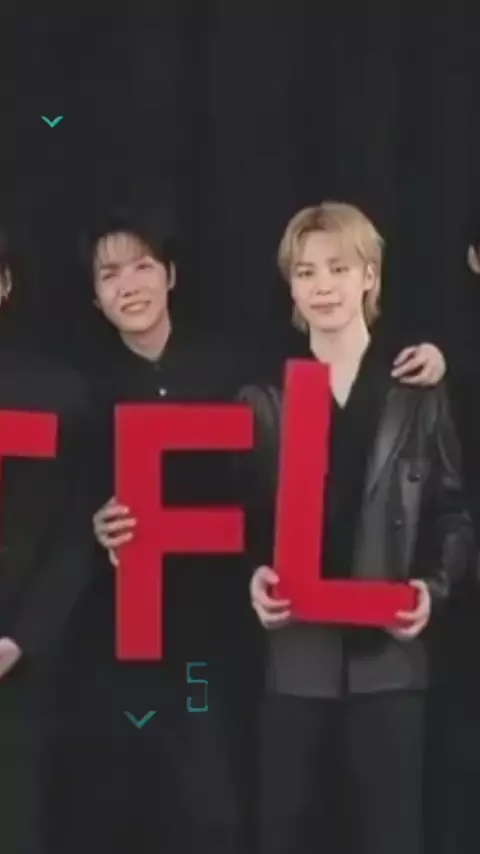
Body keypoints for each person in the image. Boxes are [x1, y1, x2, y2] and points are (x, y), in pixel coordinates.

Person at [236, 201, 473, 854]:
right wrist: (252, 575)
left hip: (390, 663)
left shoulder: (418, 390)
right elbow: (242, 517)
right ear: (291, 288)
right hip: (295, 663)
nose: (323, 286)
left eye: (339, 268)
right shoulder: (264, 397)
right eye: (306, 271)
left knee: (391, 837)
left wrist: (433, 588)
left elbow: (453, 511)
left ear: (370, 276)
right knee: (287, 834)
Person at [47, 205, 254, 854]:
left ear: (171, 275)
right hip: (116, 634)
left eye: (142, 267)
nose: (129, 286)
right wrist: (95, 522)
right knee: (117, 804)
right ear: (95, 297)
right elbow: (60, 507)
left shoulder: (232, 372)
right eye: (110, 274)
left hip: (210, 632)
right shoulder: (82, 388)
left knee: (211, 804)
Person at [0, 223, 95, 854]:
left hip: (20, 667)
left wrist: (21, 640)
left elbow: (74, 532)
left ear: (5, 283)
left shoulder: (58, 393)